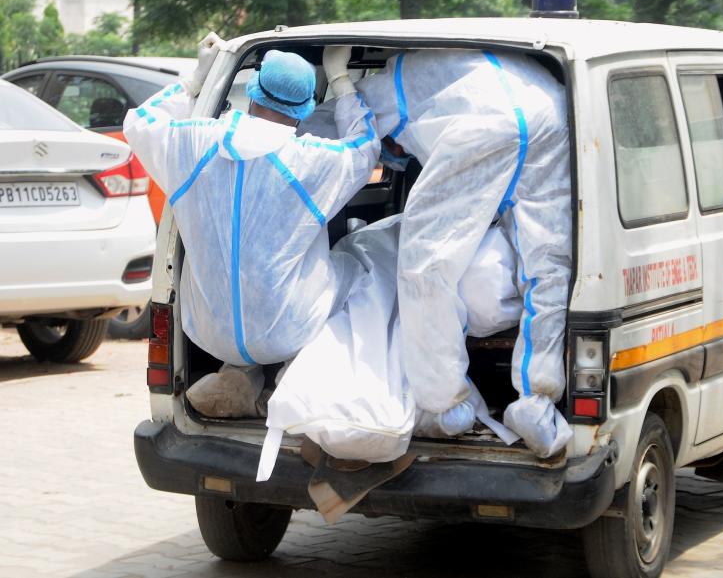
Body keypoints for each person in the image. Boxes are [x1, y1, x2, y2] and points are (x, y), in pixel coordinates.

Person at [123, 35, 379, 416]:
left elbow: (139, 122)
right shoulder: (312, 161)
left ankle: (239, 375)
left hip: (206, 334)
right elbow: (366, 146)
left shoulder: (192, 144)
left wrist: (197, 78)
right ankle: (301, 372)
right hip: (289, 333)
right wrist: (341, 80)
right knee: (363, 259)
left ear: (254, 92)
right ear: (306, 110)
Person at [354, 49, 573, 458]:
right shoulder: (474, 62)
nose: (398, 156)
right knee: (548, 264)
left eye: (393, 152)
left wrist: (335, 86)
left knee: (425, 263)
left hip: (485, 124)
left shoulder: (391, 81)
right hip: (551, 113)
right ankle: (537, 404)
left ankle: (446, 405)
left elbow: (339, 124)